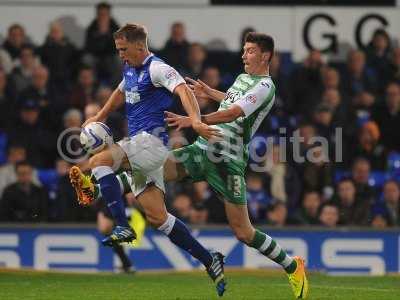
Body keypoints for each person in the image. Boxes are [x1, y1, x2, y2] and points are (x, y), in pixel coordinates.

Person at [76, 32, 308, 299]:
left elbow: (235, 113)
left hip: (227, 159)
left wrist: (195, 119)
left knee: (243, 232)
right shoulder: (243, 78)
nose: (244, 55)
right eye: (244, 50)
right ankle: (96, 187)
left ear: (265, 55)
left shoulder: (267, 86)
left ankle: (293, 265)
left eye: (250, 51)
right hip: (202, 150)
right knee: (150, 167)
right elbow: (232, 101)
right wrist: (211, 92)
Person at [69, 24, 226, 296]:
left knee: (99, 161)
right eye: (118, 50)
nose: (120, 55)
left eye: (123, 49)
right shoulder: (130, 68)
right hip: (142, 149)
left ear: (140, 46)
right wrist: (99, 117)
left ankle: (119, 221)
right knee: (158, 217)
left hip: (151, 143)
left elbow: (183, 90)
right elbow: (120, 93)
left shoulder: (157, 68)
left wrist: (197, 122)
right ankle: (209, 259)